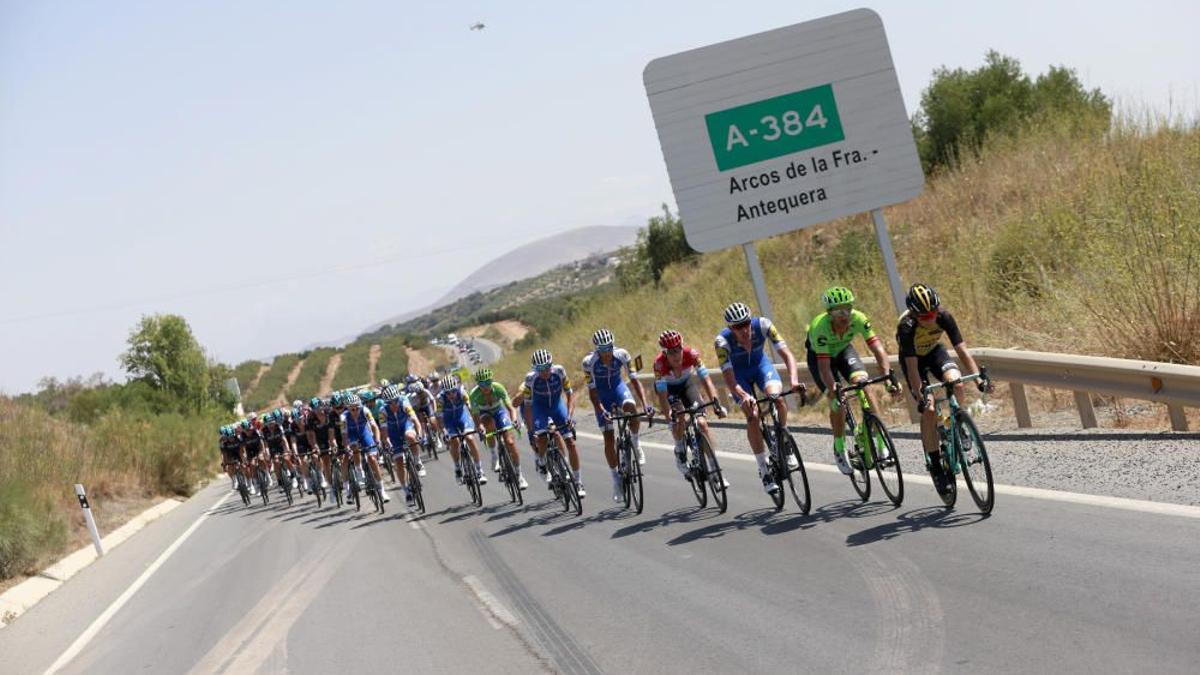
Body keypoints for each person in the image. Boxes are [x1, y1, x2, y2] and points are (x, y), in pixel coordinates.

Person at [896, 283, 993, 492]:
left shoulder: (944, 316)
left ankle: (957, 421)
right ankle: (937, 468)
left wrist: (978, 380)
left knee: (956, 382)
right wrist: (922, 397)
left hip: (935, 352)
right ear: (914, 314)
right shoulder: (907, 327)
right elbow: (912, 369)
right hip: (913, 362)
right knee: (930, 410)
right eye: (924, 317)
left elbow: (962, 351)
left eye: (932, 313)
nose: (930, 319)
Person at [805, 286, 899, 475]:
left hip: (844, 351)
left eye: (847, 308)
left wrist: (888, 376)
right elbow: (824, 368)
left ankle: (881, 442)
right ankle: (839, 446)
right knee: (836, 400)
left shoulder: (859, 318)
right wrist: (834, 388)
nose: (845, 315)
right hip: (821, 359)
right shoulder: (820, 327)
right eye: (839, 311)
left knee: (866, 386)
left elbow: (878, 350)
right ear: (829, 313)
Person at [714, 302, 803, 494]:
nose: (744, 329)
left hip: (761, 366)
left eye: (746, 323)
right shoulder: (722, 342)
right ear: (731, 328)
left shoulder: (764, 325)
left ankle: (784, 440)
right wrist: (745, 396)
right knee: (752, 416)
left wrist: (794, 380)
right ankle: (763, 468)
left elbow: (786, 355)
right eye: (738, 327)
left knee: (777, 398)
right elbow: (730, 380)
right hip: (739, 378)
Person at [582, 328, 652, 502]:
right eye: (602, 350)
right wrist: (601, 410)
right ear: (597, 349)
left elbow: (635, 381)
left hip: (618, 388)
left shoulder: (623, 354)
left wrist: (645, 404)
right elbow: (592, 393)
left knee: (631, 407)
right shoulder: (588, 362)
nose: (606, 353)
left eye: (608, 349)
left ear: (613, 346)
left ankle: (636, 443)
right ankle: (616, 480)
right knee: (609, 438)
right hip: (601, 396)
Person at [652, 329, 729, 488]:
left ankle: (715, 472)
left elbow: (706, 380)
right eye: (672, 352)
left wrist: (716, 403)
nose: (676, 355)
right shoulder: (659, 365)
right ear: (665, 353)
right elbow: (662, 394)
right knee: (679, 417)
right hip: (669, 391)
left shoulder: (692, 354)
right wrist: (669, 416)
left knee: (702, 424)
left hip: (687, 386)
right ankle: (680, 449)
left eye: (678, 349)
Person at [511, 349, 584, 498]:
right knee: (542, 437)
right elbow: (529, 407)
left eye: (547, 367)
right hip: (540, 410)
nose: (544, 372)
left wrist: (570, 416)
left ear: (551, 364)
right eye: (540, 369)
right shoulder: (530, 379)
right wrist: (532, 430)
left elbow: (570, 394)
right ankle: (542, 461)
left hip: (557, 407)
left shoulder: (560, 371)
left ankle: (578, 482)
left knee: (571, 442)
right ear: (534, 369)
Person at [468, 368, 529, 490]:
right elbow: (475, 416)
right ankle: (494, 455)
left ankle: (519, 475)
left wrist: (515, 420)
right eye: (481, 384)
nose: (485, 387)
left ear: (491, 381)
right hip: (484, 414)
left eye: (487, 383)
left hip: (499, 412)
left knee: (510, 442)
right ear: (478, 384)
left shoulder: (498, 388)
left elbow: (511, 408)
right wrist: (480, 428)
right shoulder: (474, 394)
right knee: (488, 424)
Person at [339, 393, 390, 504]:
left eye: (357, 407)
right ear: (348, 408)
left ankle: (382, 491)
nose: (355, 410)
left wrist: (377, 441)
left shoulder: (365, 410)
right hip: (352, 436)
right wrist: (346, 446)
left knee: (372, 459)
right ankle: (359, 471)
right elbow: (344, 435)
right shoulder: (343, 417)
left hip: (364, 433)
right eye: (352, 409)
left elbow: (374, 426)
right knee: (354, 448)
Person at [438, 375, 488, 486]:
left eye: (453, 391)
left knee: (469, 438)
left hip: (463, 418)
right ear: (444, 392)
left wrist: (478, 425)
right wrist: (444, 431)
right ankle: (457, 467)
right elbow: (439, 418)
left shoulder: (461, 392)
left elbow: (471, 408)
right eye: (448, 392)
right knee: (454, 441)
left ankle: (480, 470)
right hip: (449, 421)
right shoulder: (440, 399)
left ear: (457, 388)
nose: (451, 395)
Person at [379, 384, 425, 506]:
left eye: (395, 401)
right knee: (399, 462)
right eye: (390, 402)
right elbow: (384, 432)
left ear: (398, 398)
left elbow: (416, 421)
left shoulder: (405, 404)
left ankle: (417, 461)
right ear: (386, 403)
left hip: (406, 426)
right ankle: (406, 491)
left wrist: (419, 435)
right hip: (393, 433)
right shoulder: (382, 412)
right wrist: (387, 442)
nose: (394, 404)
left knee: (411, 437)